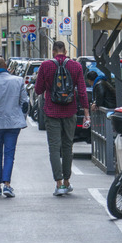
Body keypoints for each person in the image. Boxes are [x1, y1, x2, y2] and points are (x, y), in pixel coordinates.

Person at [35, 41, 89, 196]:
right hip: (70, 111)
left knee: (54, 147)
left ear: (53, 52)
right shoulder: (75, 66)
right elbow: (82, 91)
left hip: (51, 112)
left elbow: (38, 90)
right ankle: (67, 181)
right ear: (65, 51)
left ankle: (58, 183)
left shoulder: (45, 66)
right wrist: (86, 114)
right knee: (67, 147)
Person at [0, 56, 29, 198]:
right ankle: (7, 184)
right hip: (13, 123)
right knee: (9, 153)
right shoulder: (18, 81)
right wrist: (21, 118)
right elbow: (25, 103)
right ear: (6, 66)